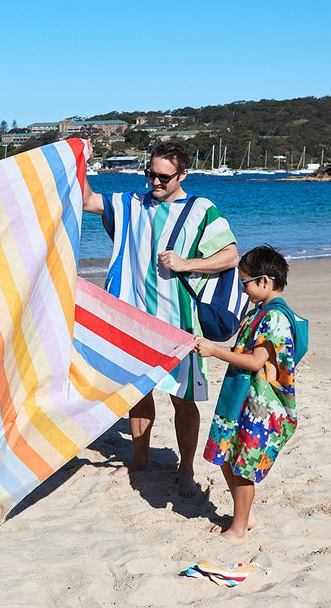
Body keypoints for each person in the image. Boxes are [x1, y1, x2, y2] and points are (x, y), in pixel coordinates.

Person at [82, 141, 239, 496]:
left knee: (183, 398)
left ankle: (186, 468)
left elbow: (230, 256)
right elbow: (86, 199)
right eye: (150, 174)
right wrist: (78, 158)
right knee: (135, 391)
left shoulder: (201, 210)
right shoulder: (129, 204)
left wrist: (188, 264)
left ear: (183, 174)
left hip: (177, 324)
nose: (155, 182)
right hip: (132, 321)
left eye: (163, 177)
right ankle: (140, 459)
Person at [195, 246, 301, 543]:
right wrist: (214, 348)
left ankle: (239, 529)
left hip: (259, 404)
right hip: (240, 397)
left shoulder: (276, 318)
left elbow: (256, 362)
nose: (243, 290)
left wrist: (216, 351)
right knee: (227, 456)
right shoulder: (260, 313)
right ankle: (245, 516)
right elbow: (244, 353)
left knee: (243, 466)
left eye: (246, 283)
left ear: (265, 281)